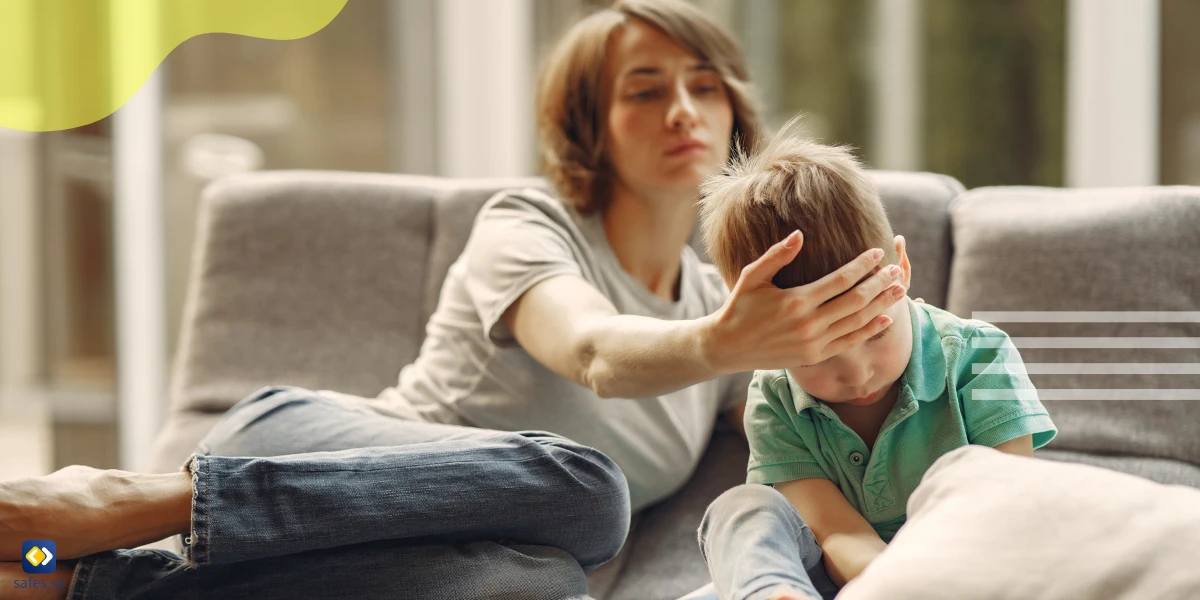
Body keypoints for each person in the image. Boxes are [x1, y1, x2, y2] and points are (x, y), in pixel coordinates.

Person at [0, 2, 907, 598]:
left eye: (704, 87)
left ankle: (63, 581)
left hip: (362, 556)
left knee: (544, 586)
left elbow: (814, 439)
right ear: (588, 125)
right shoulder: (531, 222)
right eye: (645, 89)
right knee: (588, 491)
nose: (684, 110)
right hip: (295, 446)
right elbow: (591, 351)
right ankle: (135, 497)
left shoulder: (726, 305)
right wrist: (724, 342)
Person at [692, 126, 1059, 600]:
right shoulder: (773, 398)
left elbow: (1006, 516)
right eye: (816, 353)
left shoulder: (980, 358)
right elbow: (839, 534)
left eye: (876, 330)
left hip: (963, 574)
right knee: (742, 509)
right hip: (829, 577)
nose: (856, 372)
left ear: (900, 270)